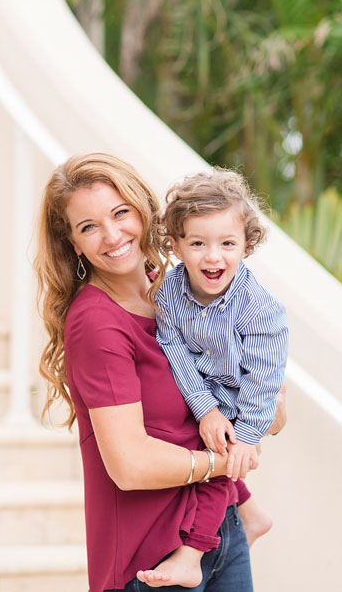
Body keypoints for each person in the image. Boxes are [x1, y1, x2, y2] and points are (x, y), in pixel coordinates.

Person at [35, 153, 284, 592]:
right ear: (73, 243)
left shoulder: (175, 291)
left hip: (217, 535)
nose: (112, 235)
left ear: (142, 210)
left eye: (120, 213)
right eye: (88, 227)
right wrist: (227, 461)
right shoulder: (96, 322)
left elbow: (270, 405)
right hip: (150, 560)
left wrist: (261, 412)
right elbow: (130, 465)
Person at [142, 169, 287, 587]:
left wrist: (246, 436)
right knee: (196, 429)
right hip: (205, 391)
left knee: (218, 462)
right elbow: (171, 346)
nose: (213, 257)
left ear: (246, 244)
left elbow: (264, 382)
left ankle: (192, 553)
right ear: (176, 245)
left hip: (246, 397)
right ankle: (251, 512)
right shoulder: (169, 291)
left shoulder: (261, 310)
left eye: (227, 243)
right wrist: (204, 408)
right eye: (198, 243)